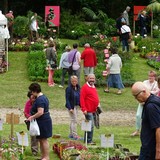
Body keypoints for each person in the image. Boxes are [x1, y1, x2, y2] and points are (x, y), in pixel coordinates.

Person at [131, 81, 160, 160]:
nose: (136, 98)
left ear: (144, 91)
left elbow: (158, 128)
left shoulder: (151, 106)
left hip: (150, 151)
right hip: (148, 148)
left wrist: (158, 151)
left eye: (136, 96)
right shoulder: (153, 100)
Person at [27, 83, 52, 160]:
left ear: (35, 91)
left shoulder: (40, 99)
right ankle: (43, 156)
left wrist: (32, 117)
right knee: (41, 139)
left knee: (44, 140)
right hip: (41, 121)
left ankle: (46, 157)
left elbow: (40, 112)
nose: (31, 93)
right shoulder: (42, 97)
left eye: (32, 91)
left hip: (43, 121)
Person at [131, 70, 159, 136]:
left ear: (154, 77)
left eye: (152, 76)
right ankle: (137, 130)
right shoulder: (144, 82)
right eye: (149, 76)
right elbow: (148, 92)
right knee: (138, 115)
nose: (150, 78)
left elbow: (156, 92)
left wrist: (148, 92)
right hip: (142, 102)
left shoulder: (156, 83)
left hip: (150, 102)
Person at [80, 74, 99, 144]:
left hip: (94, 110)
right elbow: (82, 99)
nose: (92, 80)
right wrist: (84, 109)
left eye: (93, 78)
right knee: (90, 126)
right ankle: (89, 141)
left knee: (88, 126)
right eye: (90, 78)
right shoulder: (85, 87)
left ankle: (86, 139)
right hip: (88, 110)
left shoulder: (93, 87)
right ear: (87, 79)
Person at [65, 75, 82, 140]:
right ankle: (75, 135)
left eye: (75, 81)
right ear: (71, 81)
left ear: (77, 81)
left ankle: (71, 134)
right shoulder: (68, 88)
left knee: (73, 120)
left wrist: (81, 106)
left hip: (76, 106)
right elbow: (67, 99)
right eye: (73, 81)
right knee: (74, 120)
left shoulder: (78, 87)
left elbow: (79, 97)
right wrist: (70, 108)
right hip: (71, 107)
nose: (74, 82)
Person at [24, 91, 38, 156]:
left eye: (34, 97)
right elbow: (25, 112)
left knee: (41, 137)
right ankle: (34, 151)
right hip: (31, 121)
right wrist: (29, 117)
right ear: (29, 98)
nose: (33, 99)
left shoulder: (38, 102)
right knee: (33, 136)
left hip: (39, 120)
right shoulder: (28, 103)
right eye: (32, 97)